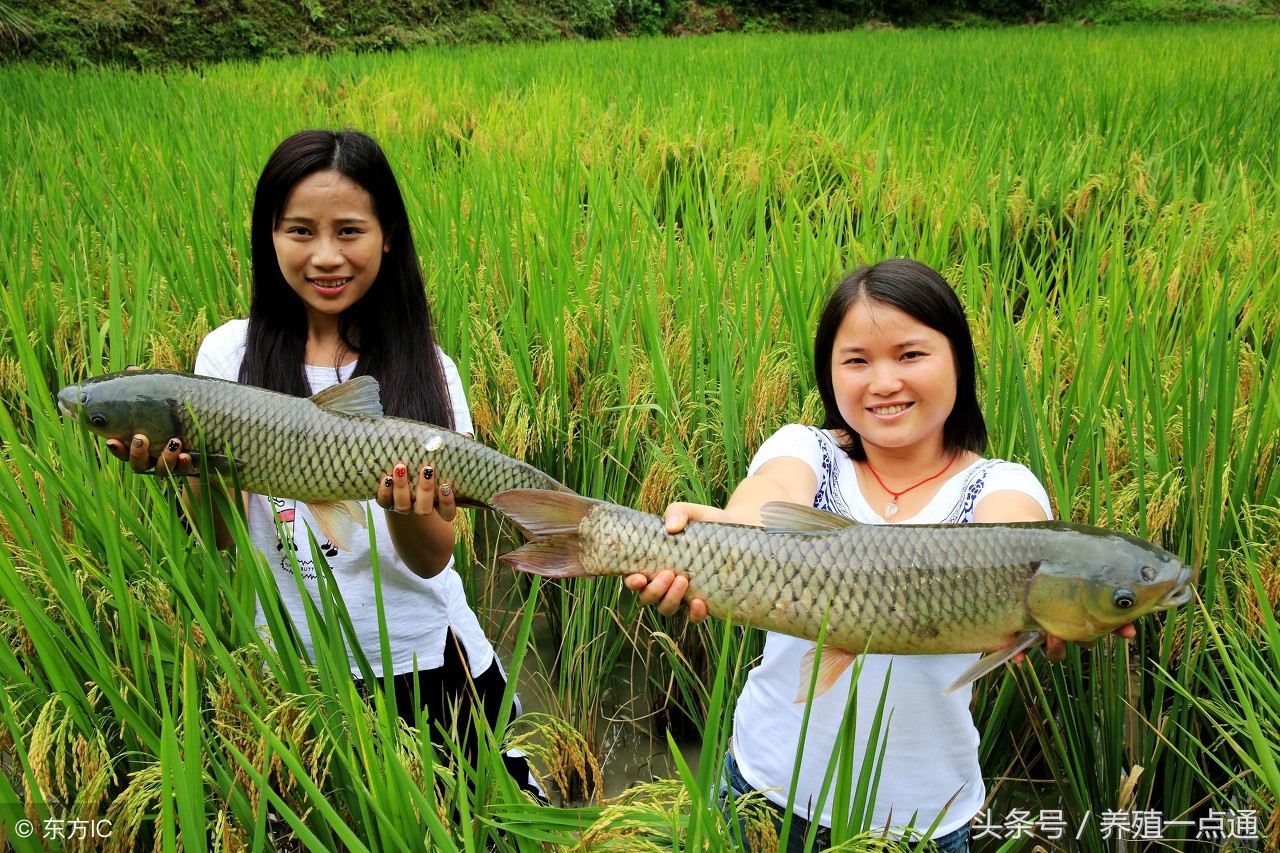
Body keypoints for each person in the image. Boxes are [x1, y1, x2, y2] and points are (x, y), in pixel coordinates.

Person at [625, 259, 1135, 852]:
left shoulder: (1001, 489)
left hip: (921, 824)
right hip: (763, 793)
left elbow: (1015, 541)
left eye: (911, 355)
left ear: (959, 362)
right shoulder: (806, 451)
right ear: (829, 374)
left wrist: (1058, 613)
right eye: (857, 361)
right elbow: (759, 505)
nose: (884, 382)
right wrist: (714, 537)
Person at [106, 129, 530, 782]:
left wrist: (408, 507)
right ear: (268, 236)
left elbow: (432, 555)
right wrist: (193, 469)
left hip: (430, 661)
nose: (326, 256)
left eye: (349, 231)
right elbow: (222, 536)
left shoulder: (429, 369)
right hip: (295, 667)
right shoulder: (227, 358)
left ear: (388, 235)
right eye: (300, 231)